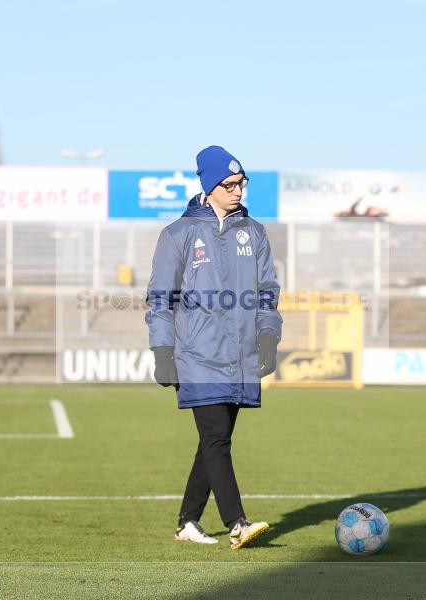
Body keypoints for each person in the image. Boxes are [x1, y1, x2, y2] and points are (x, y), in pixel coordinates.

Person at [145, 145, 282, 550]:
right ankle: (237, 523)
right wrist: (163, 352)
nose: (238, 190)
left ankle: (187, 522)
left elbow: (267, 291)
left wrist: (268, 337)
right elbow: (161, 297)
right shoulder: (178, 234)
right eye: (229, 184)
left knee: (213, 442)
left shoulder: (254, 232)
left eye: (242, 183)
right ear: (209, 186)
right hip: (196, 356)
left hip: (240, 358)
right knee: (217, 438)